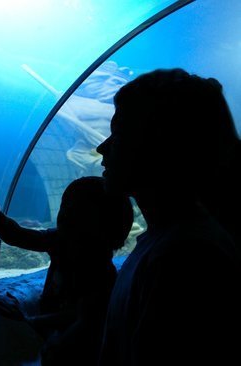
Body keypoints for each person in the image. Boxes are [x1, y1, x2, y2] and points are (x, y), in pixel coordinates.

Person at [96, 68, 241, 366]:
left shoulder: (184, 259)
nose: (102, 147)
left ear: (160, 143)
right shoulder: (168, 242)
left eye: (119, 132)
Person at [0, 176, 133, 365]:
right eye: (64, 206)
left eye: (76, 211)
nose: (63, 215)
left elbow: (86, 320)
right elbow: (20, 236)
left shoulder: (100, 272)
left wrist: (29, 321)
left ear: (104, 226)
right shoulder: (62, 240)